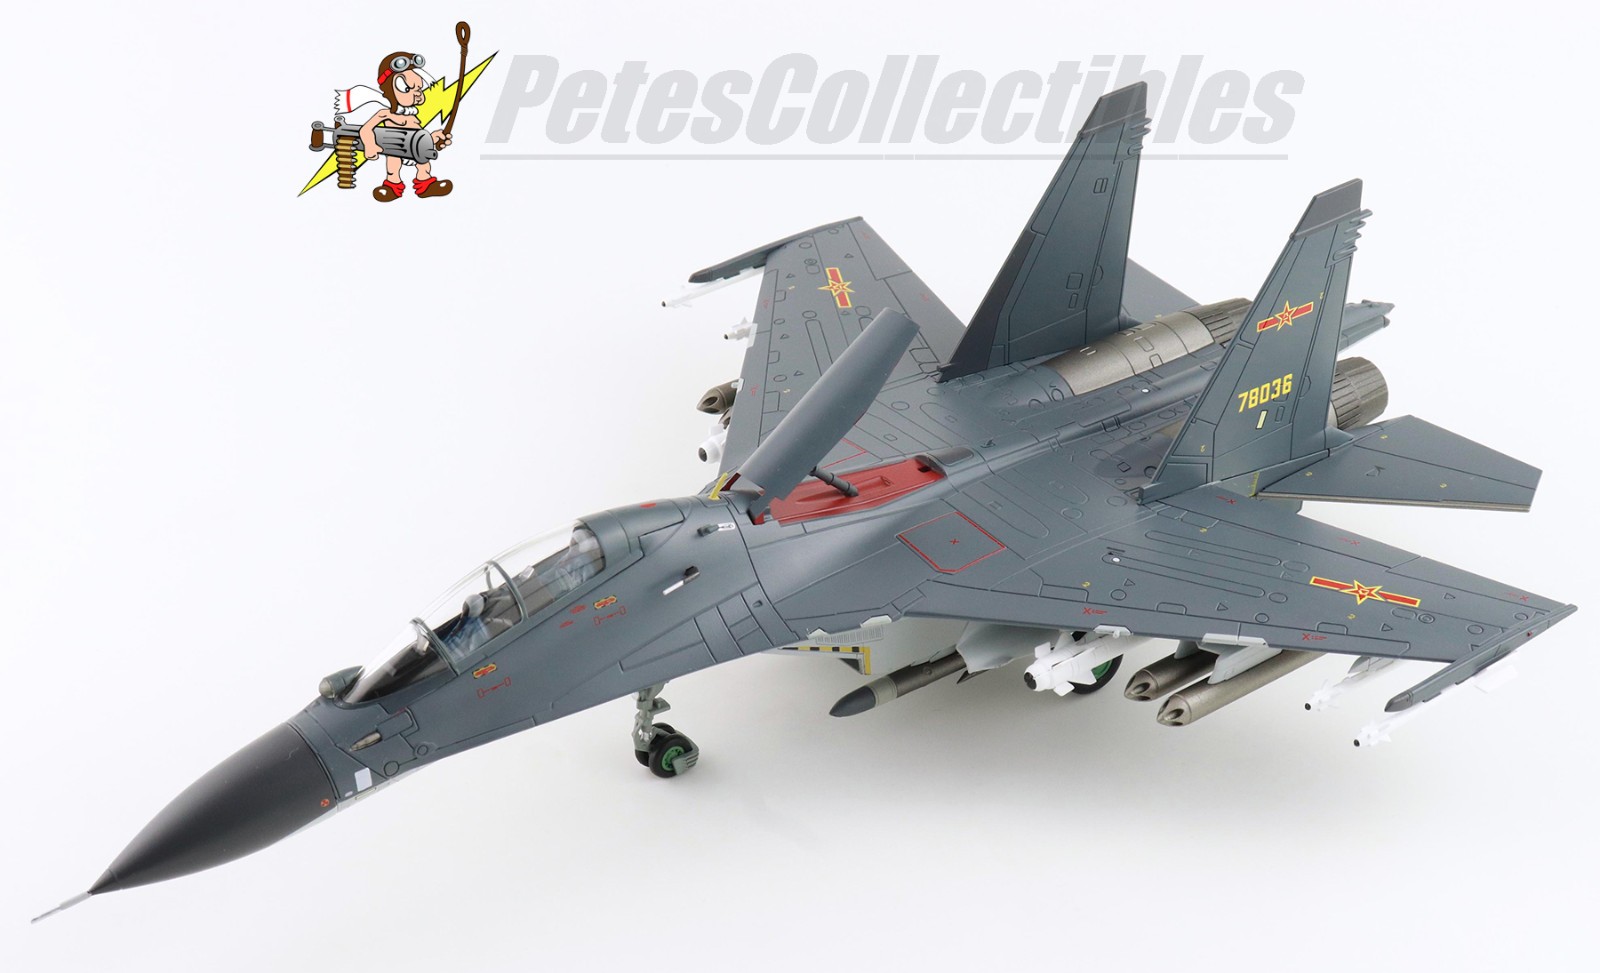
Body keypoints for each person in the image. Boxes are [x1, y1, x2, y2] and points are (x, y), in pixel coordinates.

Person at [360, 51, 453, 202]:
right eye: (407, 89)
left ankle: (425, 185)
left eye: (419, 89)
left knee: (424, 163)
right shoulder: (386, 114)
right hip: (394, 146)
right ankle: (392, 187)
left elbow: (419, 135)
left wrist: (433, 138)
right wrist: (370, 145)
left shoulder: (412, 117)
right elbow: (366, 129)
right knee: (393, 165)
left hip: (416, 147)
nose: (417, 94)